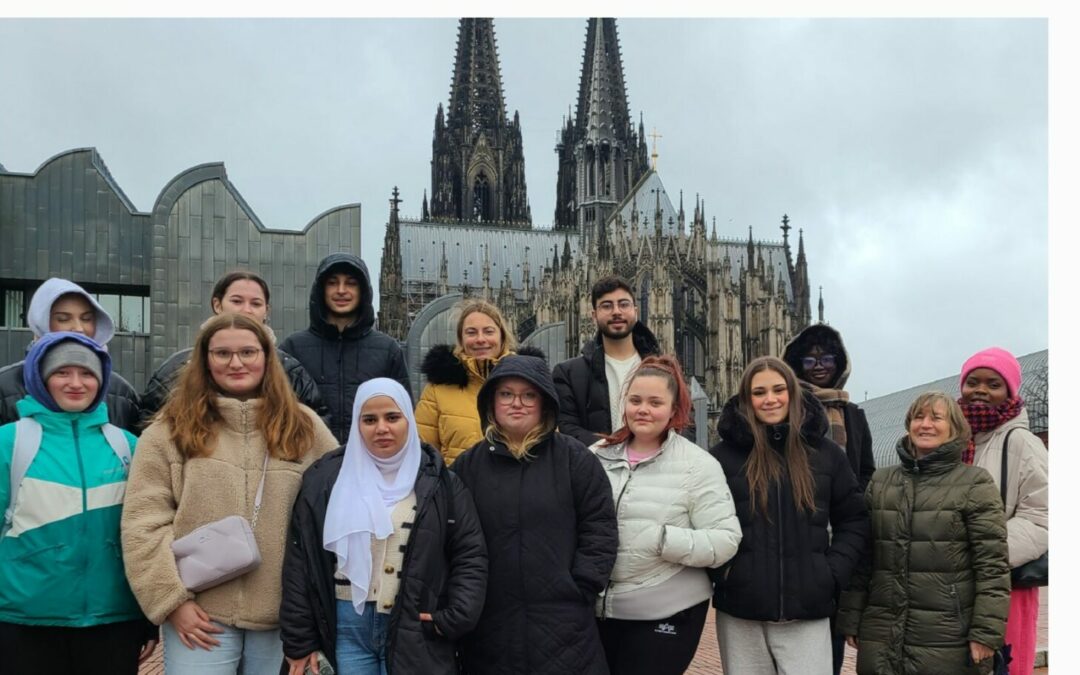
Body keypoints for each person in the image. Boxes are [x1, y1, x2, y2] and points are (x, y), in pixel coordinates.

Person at [120, 312, 338, 674]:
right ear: (205, 360)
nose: (236, 362)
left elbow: (338, 508)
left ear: (267, 358)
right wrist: (171, 602)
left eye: (248, 352)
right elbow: (143, 524)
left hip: (283, 618)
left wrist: (313, 607)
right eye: (222, 353)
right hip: (200, 615)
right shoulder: (169, 431)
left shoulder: (305, 428)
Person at [280, 378, 488, 675]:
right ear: (356, 424)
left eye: (392, 417)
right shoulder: (326, 480)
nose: (381, 428)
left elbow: (470, 555)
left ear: (408, 420)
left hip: (414, 627)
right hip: (345, 628)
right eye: (369, 419)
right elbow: (301, 561)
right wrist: (299, 639)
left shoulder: (441, 482)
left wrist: (455, 617)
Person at [0, 332, 157, 674]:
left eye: (88, 373)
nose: (76, 383)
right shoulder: (8, 443)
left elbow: (146, 536)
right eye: (61, 372)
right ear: (39, 378)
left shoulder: (128, 446)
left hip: (113, 621)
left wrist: (147, 620)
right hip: (24, 622)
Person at [451, 353, 618, 674]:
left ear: (545, 402)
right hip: (491, 625)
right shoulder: (468, 467)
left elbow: (599, 528)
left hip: (565, 625)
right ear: (491, 402)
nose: (518, 403)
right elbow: (452, 537)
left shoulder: (574, 459)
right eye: (506, 394)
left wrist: (580, 587)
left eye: (529, 395)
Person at [708, 356, 869, 675]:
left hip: (807, 611)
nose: (770, 399)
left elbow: (854, 520)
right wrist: (725, 574)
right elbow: (702, 523)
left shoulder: (826, 455)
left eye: (779, 389)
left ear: (793, 393)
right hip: (741, 613)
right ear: (746, 399)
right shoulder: (721, 458)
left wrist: (829, 573)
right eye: (759, 392)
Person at [837, 392, 1011, 674]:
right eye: (919, 417)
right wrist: (851, 618)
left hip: (947, 634)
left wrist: (985, 632)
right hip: (881, 631)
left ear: (954, 428)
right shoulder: (881, 482)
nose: (926, 424)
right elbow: (863, 560)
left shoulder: (974, 483)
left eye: (936, 418)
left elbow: (992, 567)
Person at [591, 354, 742, 675]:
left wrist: (663, 539)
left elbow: (726, 540)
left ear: (674, 410)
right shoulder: (596, 456)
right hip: (600, 608)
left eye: (655, 402)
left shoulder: (697, 464)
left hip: (668, 607)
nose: (643, 409)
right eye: (635, 400)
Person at [781, 323, 875, 673]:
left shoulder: (854, 415)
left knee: (835, 633)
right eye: (809, 360)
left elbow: (866, 471)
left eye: (827, 358)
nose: (819, 365)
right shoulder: (789, 411)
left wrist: (850, 509)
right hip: (803, 535)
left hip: (841, 541)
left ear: (840, 363)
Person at [958, 348, 1048, 675]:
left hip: (1008, 585)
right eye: (972, 381)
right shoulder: (955, 441)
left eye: (993, 384)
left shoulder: (1022, 442)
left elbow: (1043, 518)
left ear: (1009, 391)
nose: (980, 389)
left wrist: (983, 552)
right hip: (957, 587)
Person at [140, 270, 327, 424]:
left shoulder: (290, 371)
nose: (246, 310)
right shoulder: (177, 368)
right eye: (237, 301)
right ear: (217, 304)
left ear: (266, 311)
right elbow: (147, 424)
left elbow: (314, 426)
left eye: (256, 303)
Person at [281, 253, 411, 443]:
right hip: (310, 460)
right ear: (321, 290)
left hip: (369, 462)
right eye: (333, 283)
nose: (341, 290)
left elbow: (405, 416)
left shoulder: (387, 349)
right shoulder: (293, 348)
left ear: (363, 291)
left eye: (351, 283)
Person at [0, 277, 141, 432]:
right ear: (40, 323)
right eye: (63, 319)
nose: (78, 328)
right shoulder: (5, 387)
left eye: (87, 318)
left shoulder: (121, 393)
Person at [416, 299, 538, 465]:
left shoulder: (530, 380)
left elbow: (550, 442)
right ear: (461, 339)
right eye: (471, 332)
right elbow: (423, 452)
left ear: (502, 336)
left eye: (488, 331)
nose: (480, 339)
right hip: (458, 487)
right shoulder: (438, 388)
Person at [553, 276, 661, 448]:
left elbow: (685, 423)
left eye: (623, 304)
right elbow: (566, 429)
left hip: (656, 468)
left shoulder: (662, 369)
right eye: (607, 305)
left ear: (636, 311)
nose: (616, 311)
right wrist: (619, 451)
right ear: (594, 316)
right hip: (595, 469)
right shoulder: (568, 374)